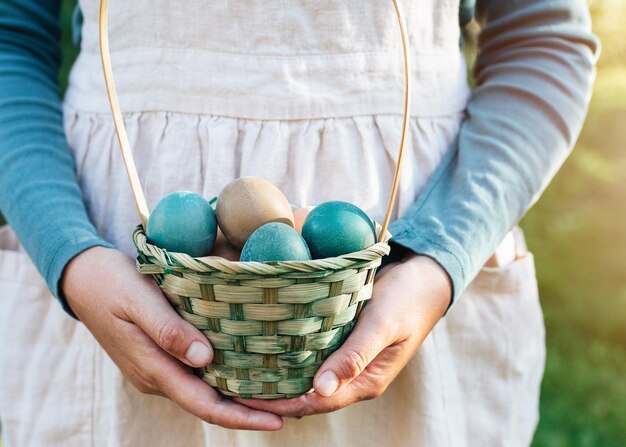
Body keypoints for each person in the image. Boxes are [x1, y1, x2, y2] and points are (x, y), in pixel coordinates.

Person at [0, 0, 598, 445]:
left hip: (403, 260)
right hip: (122, 273)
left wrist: (440, 259)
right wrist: (70, 255)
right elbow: (10, 37)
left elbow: (543, 43)